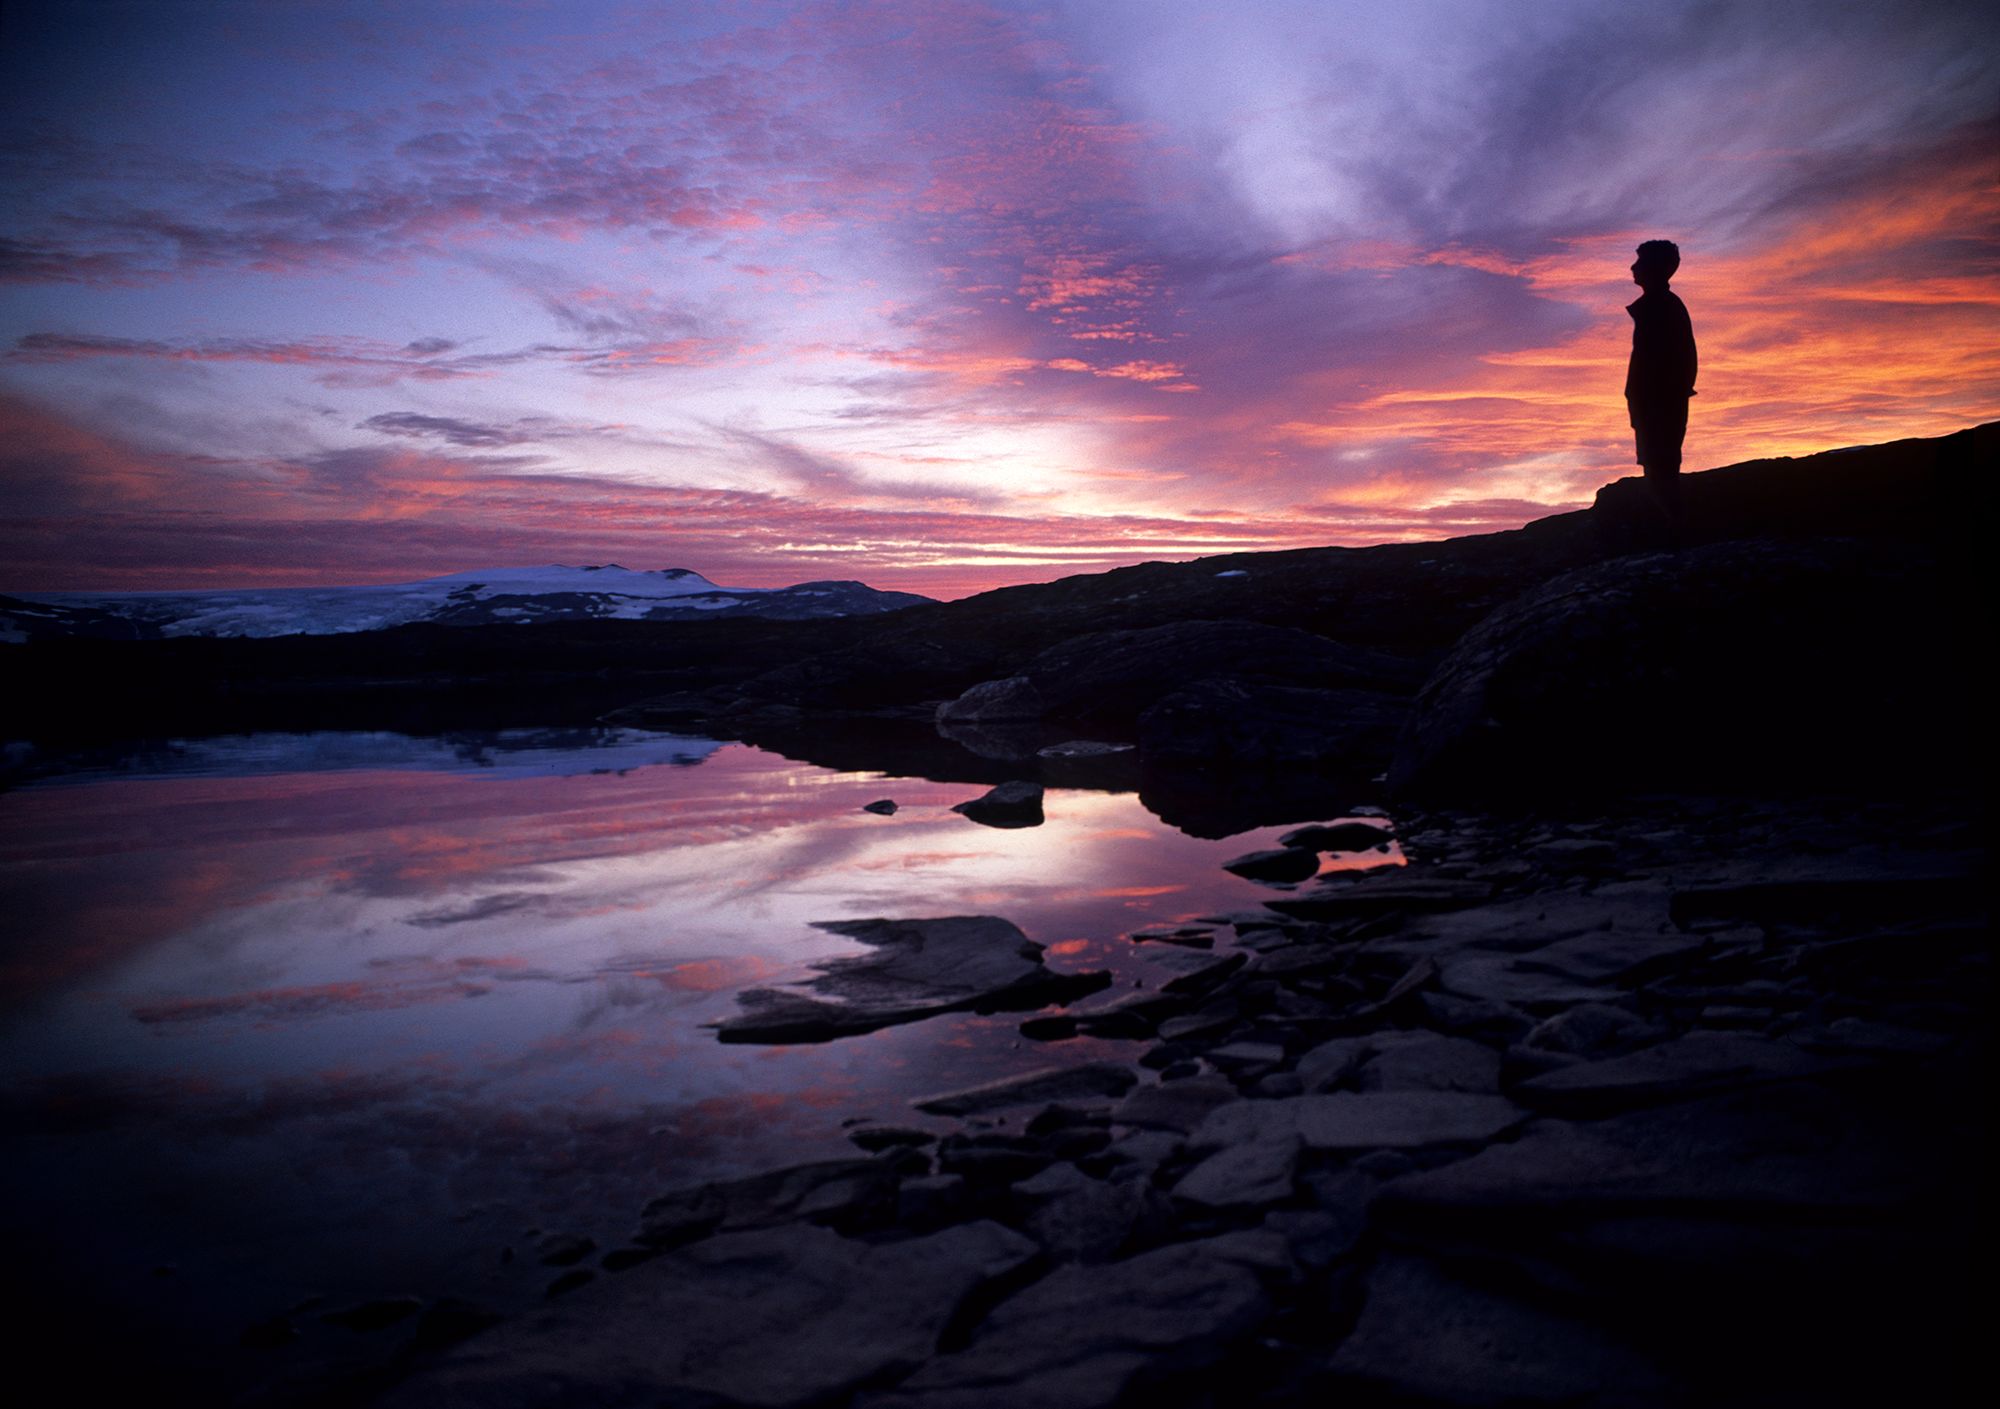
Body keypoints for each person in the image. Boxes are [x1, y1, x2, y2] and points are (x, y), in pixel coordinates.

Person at [1624, 239, 1697, 521]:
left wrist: (1652, 400)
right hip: (1654, 403)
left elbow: (1675, 361)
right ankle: (1675, 533)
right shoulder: (1658, 307)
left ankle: (1679, 535)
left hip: (1659, 405)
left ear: (1655, 268)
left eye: (1640, 262)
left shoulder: (1662, 307)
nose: (1633, 267)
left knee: (1660, 471)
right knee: (1657, 469)